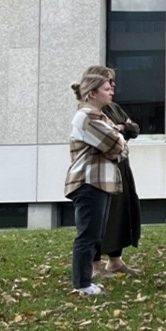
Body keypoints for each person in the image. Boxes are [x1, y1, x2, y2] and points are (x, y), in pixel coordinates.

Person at [65, 67, 128, 296]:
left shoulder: (99, 116)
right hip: (88, 182)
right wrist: (119, 136)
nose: (111, 92)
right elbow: (117, 146)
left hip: (99, 182)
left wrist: (119, 138)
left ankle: (83, 282)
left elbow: (119, 145)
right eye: (106, 88)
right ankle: (81, 284)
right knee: (88, 235)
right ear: (92, 93)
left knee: (95, 234)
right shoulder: (87, 116)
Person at [93, 67, 142, 279]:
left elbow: (134, 129)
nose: (112, 88)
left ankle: (115, 259)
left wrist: (123, 127)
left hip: (121, 165)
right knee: (103, 215)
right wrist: (122, 129)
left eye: (112, 84)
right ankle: (95, 265)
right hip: (103, 168)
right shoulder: (92, 113)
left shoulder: (114, 108)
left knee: (123, 209)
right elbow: (111, 136)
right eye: (107, 84)